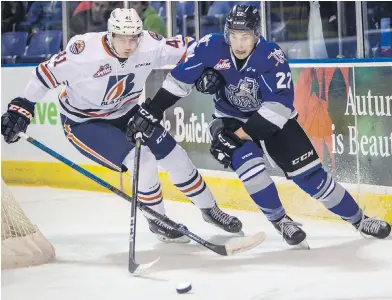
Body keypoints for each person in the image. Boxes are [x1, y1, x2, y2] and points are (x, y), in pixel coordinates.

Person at [126, 4, 391, 246]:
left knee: (313, 178)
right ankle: (281, 221)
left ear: (256, 34)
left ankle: (359, 220)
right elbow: (178, 82)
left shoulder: (271, 55)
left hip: (272, 121)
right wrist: (150, 111)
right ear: (227, 33)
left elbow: (277, 110)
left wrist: (239, 136)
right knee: (251, 168)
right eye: (234, 36)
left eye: (246, 37)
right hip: (229, 119)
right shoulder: (210, 46)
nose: (239, 43)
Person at [1, 8, 242, 244]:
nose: (128, 45)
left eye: (133, 38)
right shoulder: (84, 52)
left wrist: (212, 66)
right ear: (110, 35)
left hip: (128, 113)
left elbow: (195, 48)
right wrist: (21, 107)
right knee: (143, 160)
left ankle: (210, 210)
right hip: (85, 122)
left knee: (176, 156)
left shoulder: (148, 45)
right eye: (122, 38)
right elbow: (43, 74)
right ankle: (158, 220)